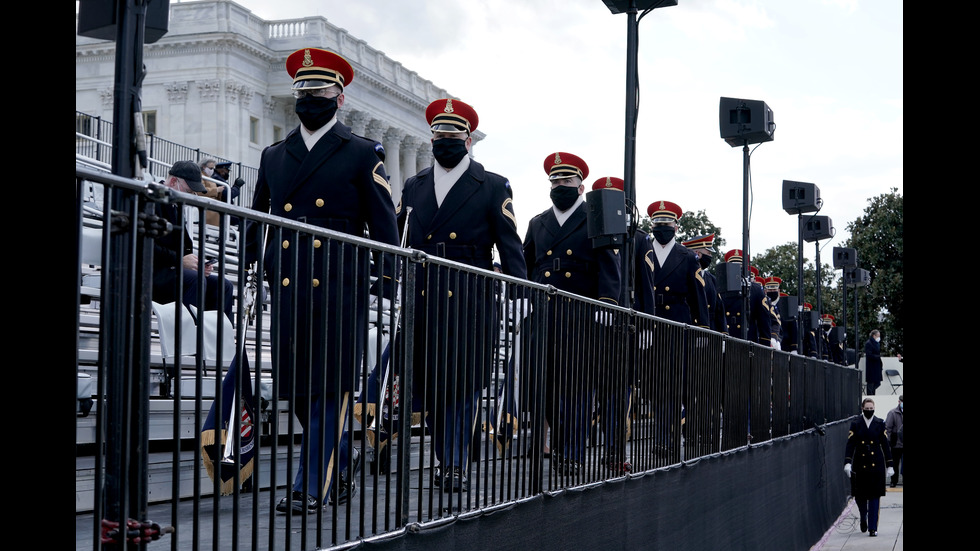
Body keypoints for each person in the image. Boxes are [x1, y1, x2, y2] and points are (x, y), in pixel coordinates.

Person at [244, 47, 401, 514]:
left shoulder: (360, 152)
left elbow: (384, 222)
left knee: (329, 387)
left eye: (320, 92)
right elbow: (256, 218)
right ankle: (341, 461)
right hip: (289, 282)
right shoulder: (275, 154)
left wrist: (387, 278)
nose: (310, 99)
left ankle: (309, 485)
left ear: (340, 98)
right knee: (297, 388)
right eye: (304, 92)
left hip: (338, 283)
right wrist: (256, 268)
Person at [395, 98, 527, 493]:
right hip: (424, 295)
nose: (445, 141)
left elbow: (509, 243)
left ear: (468, 140)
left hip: (470, 296)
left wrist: (519, 292)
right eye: (439, 135)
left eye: (453, 135)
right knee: (434, 385)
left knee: (465, 382)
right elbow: (401, 238)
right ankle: (445, 456)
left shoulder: (491, 184)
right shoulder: (414, 185)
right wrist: (387, 284)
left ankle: (454, 462)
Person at [524, 153, 621, 476]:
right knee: (548, 387)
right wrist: (523, 297)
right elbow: (527, 265)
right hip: (546, 314)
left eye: (566, 181)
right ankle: (563, 443)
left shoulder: (595, 218)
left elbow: (609, 265)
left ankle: (573, 453)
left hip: (582, 315)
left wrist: (607, 302)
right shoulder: (537, 223)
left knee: (577, 389)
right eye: (555, 181)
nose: (560, 186)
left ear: (581, 188)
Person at [152, 160, 234, 320]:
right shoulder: (152, 198)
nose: (192, 196)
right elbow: (147, 247)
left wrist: (197, 265)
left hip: (171, 271)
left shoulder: (175, 204)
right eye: (189, 191)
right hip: (153, 272)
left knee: (223, 286)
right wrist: (179, 261)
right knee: (195, 281)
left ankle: (221, 343)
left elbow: (183, 249)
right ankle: (187, 340)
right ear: (174, 181)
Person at [844, 398, 895, 537]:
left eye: (871, 408)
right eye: (866, 408)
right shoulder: (856, 424)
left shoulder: (879, 423)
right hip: (860, 463)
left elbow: (885, 444)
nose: (869, 411)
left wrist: (889, 464)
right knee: (860, 496)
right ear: (862, 409)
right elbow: (850, 444)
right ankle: (863, 515)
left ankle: (873, 528)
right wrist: (847, 462)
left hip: (876, 464)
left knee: (874, 497)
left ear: (874, 408)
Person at [720, 250, 773, 346]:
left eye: (740, 265)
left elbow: (763, 320)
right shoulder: (720, 287)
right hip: (725, 339)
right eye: (734, 265)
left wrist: (765, 344)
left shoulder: (755, 290)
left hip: (748, 341)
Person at [681, 234, 728, 335]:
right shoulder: (683, 275)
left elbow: (719, 310)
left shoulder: (712, 279)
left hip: (710, 331)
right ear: (697, 254)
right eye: (708, 253)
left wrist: (723, 334)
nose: (710, 256)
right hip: (689, 327)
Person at [884, 395, 903, 487]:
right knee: (895, 463)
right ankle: (893, 481)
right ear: (899, 402)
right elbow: (888, 428)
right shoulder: (893, 413)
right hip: (896, 443)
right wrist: (889, 441)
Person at [863, 329, 883, 394]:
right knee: (871, 384)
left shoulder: (876, 343)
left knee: (877, 383)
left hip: (876, 366)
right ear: (874, 336)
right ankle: (870, 395)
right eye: (878, 336)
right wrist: (878, 356)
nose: (879, 337)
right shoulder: (869, 343)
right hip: (871, 366)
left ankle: (873, 394)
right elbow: (869, 355)